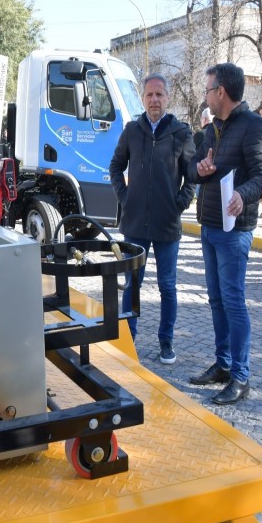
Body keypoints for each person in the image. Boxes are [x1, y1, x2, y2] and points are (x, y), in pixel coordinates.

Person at [186, 62, 262, 405]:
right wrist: (201, 170)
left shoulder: (254, 127)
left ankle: (241, 376)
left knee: (234, 302)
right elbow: (194, 169)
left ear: (221, 91)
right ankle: (222, 365)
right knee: (216, 300)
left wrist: (242, 194)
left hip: (235, 231)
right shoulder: (213, 128)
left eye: (208, 89)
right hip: (209, 225)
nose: (205, 95)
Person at [109, 73, 195, 365]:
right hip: (135, 225)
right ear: (142, 99)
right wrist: (125, 197)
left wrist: (178, 205)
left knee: (167, 286)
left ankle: (166, 342)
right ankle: (127, 339)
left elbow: (192, 177)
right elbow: (115, 166)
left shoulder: (181, 133)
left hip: (167, 226)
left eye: (159, 94)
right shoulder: (132, 130)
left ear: (167, 98)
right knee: (132, 284)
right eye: (149, 95)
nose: (154, 100)